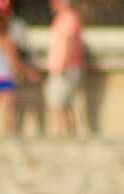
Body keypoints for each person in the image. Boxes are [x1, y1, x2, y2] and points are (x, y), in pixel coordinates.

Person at [0, 12, 38, 135]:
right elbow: (14, 62)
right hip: (5, 77)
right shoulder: (8, 41)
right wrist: (27, 72)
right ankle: (8, 133)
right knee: (8, 110)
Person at [45, 0, 84, 136]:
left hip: (64, 68)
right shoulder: (63, 18)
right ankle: (68, 133)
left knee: (58, 103)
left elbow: (69, 42)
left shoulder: (68, 18)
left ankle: (61, 133)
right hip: (62, 66)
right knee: (66, 103)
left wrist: (64, 64)